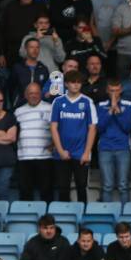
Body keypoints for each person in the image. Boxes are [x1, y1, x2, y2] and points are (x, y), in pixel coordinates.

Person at [49, 70, 97, 202]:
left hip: (81, 153)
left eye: (79, 82)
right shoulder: (58, 102)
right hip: (61, 153)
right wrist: (60, 151)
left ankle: (82, 219)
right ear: (66, 84)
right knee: (62, 188)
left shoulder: (88, 102)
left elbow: (92, 128)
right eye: (73, 82)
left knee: (82, 187)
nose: (76, 85)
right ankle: (64, 219)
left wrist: (86, 153)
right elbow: (53, 127)